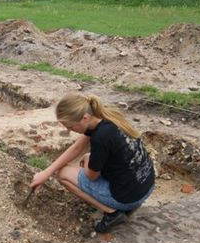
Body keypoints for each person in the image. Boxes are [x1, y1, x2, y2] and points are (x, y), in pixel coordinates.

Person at [30, 93, 155, 233]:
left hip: (129, 198)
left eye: (71, 127)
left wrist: (88, 158)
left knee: (63, 173)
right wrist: (46, 173)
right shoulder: (107, 117)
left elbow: (92, 176)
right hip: (146, 186)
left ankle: (112, 213)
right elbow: (77, 147)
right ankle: (119, 205)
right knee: (74, 166)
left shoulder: (100, 138)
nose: (70, 130)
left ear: (84, 118)